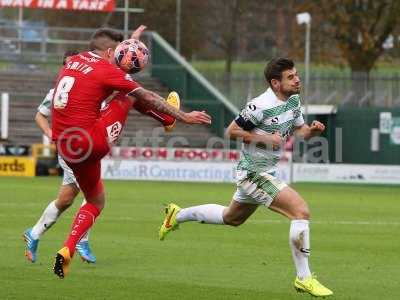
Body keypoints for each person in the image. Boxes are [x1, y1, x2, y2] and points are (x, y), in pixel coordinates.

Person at [159, 58, 333, 297]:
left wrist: (312, 131)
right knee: (300, 211)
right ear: (275, 83)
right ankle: (304, 278)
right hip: (252, 173)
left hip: (266, 172)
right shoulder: (259, 105)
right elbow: (231, 132)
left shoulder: (293, 100)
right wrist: (266, 139)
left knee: (231, 218)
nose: (297, 79)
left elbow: (300, 132)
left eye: (296, 75)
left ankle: (177, 215)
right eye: (291, 77)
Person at [51, 28, 211, 279]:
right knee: (130, 96)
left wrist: (129, 43)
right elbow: (145, 95)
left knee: (95, 200)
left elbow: (108, 66)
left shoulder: (75, 60)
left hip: (65, 146)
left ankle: (67, 249)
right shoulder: (109, 71)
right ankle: (168, 119)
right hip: (91, 141)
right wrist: (184, 116)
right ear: (109, 52)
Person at [23, 41, 178, 264]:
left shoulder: (95, 73)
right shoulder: (60, 88)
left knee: (66, 199)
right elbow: (40, 114)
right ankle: (79, 241)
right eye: (68, 63)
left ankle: (36, 234)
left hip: (79, 139)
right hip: (79, 141)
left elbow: (119, 66)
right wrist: (50, 133)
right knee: (92, 196)